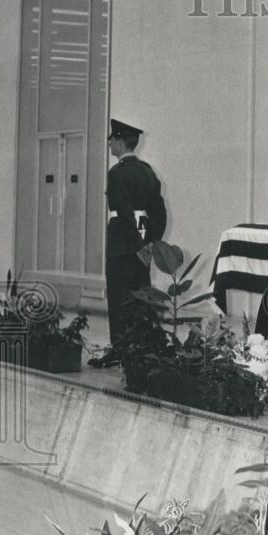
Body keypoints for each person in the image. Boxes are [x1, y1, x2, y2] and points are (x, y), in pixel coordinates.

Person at [90, 119, 167, 368]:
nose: (110, 143)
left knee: (119, 297)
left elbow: (123, 212)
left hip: (123, 243)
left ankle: (121, 350)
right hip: (143, 241)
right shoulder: (147, 171)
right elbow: (159, 211)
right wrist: (151, 242)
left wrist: (135, 244)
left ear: (121, 141)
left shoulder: (117, 173)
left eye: (112, 139)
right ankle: (142, 348)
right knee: (141, 295)